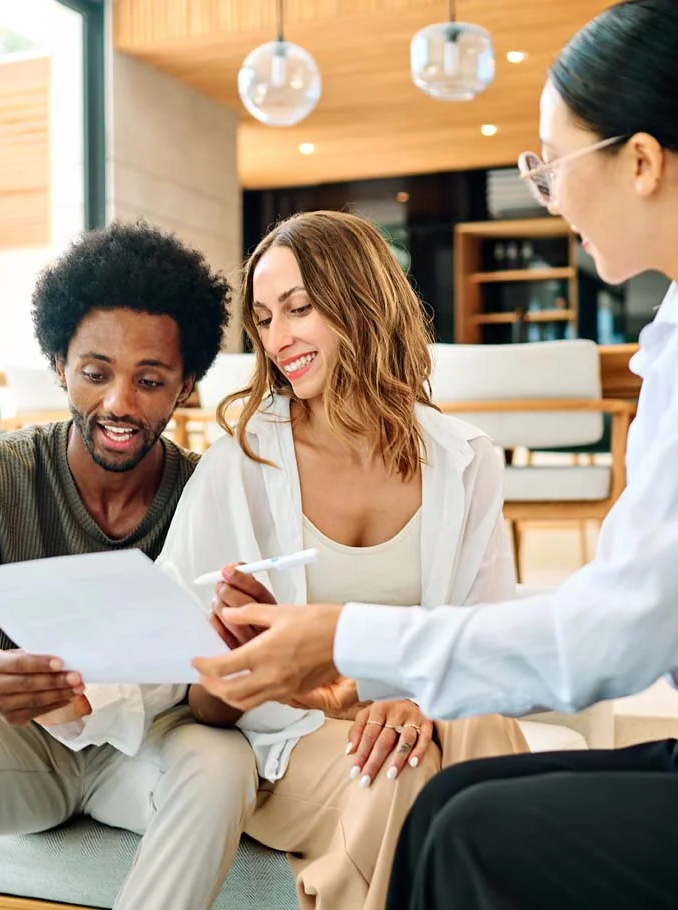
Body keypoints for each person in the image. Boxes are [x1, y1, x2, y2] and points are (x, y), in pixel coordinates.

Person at [189, 1, 678, 908]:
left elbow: (621, 633)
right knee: (459, 802)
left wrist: (347, 639)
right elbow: (625, 604)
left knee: (470, 825)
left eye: (551, 164)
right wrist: (363, 660)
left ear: (640, 159)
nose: (547, 193)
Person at [0, 222, 256, 910]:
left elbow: (212, 711)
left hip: (146, 754)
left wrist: (238, 658)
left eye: (150, 380)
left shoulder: (210, 494)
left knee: (224, 761)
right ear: (59, 365)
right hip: (26, 744)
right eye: (95, 373)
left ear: (186, 385)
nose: (118, 404)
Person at [158, 210, 528, 910]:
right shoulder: (240, 465)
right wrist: (229, 647)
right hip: (294, 741)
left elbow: (486, 643)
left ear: (362, 302)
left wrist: (415, 699)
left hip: (433, 711)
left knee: (475, 725)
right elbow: (194, 689)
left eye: (299, 309)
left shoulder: (465, 460)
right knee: (402, 766)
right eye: (265, 319)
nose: (279, 338)